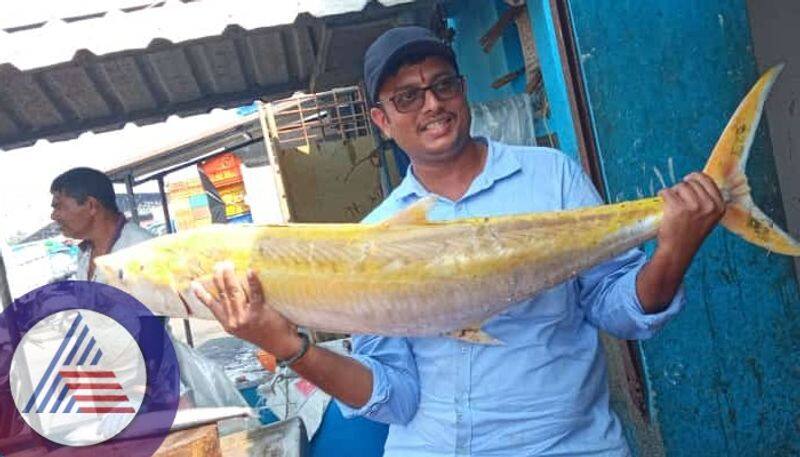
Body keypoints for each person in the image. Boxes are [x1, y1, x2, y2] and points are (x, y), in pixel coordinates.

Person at [193, 26, 724, 456]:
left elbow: (618, 310)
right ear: (381, 120)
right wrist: (287, 347)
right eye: (407, 97)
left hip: (564, 445)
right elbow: (394, 397)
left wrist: (674, 249)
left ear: (463, 90)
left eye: (443, 85)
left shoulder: (550, 178)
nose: (431, 105)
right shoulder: (372, 238)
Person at [50, 168, 247, 411]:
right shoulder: (85, 256)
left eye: (59, 206)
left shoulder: (140, 250)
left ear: (91, 205)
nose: (54, 215)